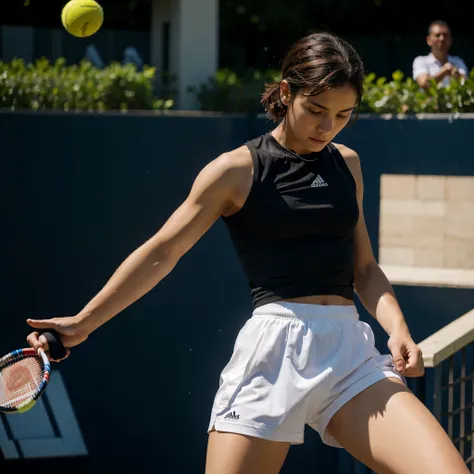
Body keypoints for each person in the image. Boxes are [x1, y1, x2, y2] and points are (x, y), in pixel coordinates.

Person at [26, 32, 469, 474]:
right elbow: (163, 250)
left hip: (350, 355)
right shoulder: (235, 169)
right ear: (285, 92)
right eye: (315, 110)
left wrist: (397, 328)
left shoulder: (347, 164)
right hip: (273, 354)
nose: (326, 126)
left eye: (342, 115)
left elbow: (365, 269)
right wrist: (83, 323)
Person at [413, 20, 468, 89]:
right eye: (437, 35)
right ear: (429, 40)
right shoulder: (420, 61)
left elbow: (467, 86)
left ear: (450, 40)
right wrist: (444, 72)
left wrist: (457, 74)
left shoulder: (458, 61)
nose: (442, 39)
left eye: (445, 35)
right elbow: (424, 84)